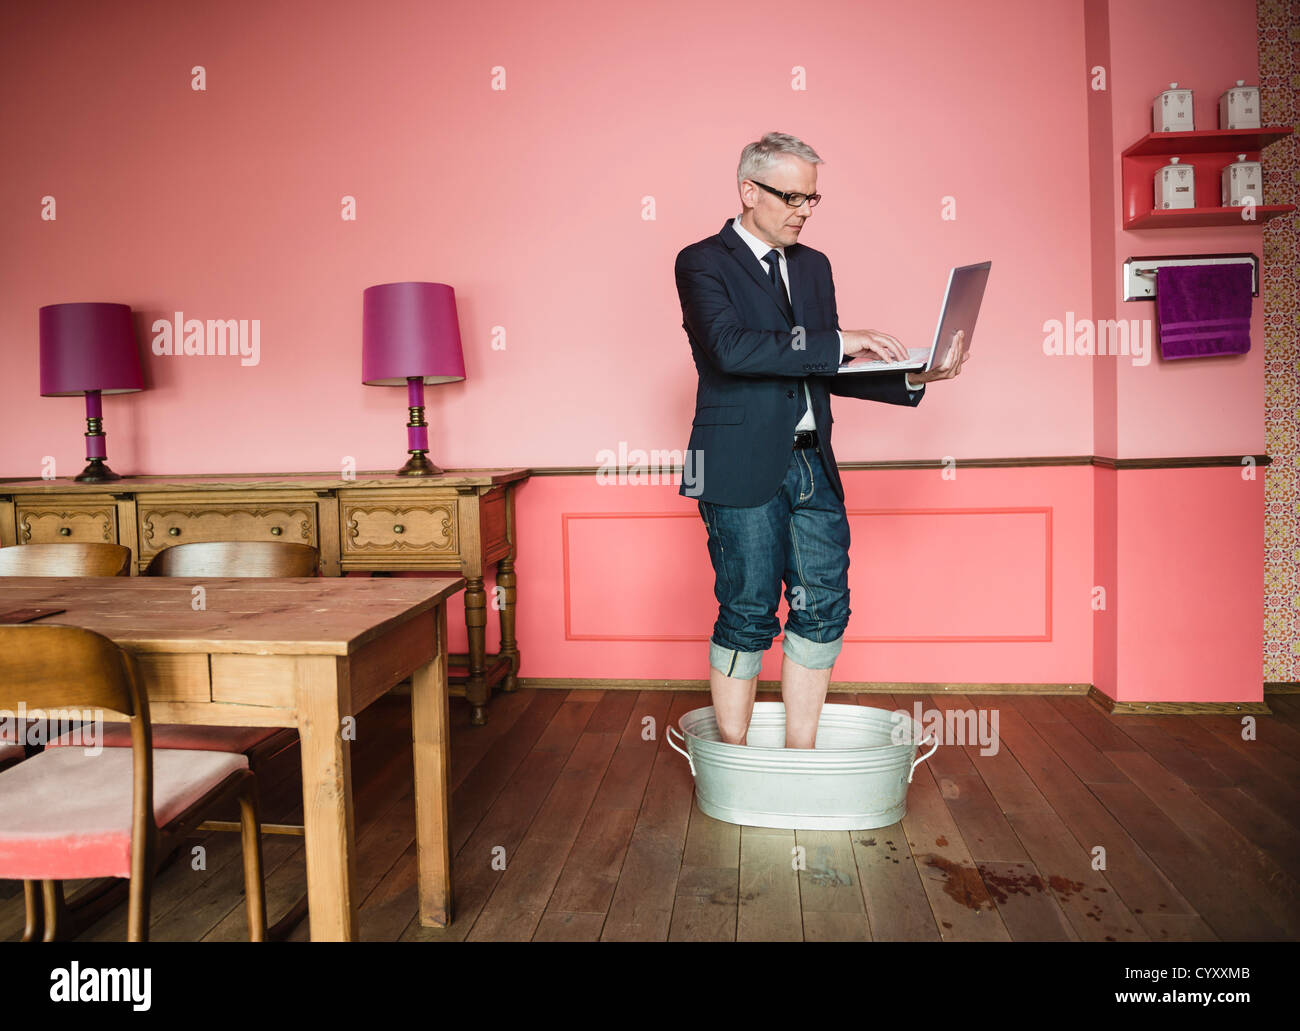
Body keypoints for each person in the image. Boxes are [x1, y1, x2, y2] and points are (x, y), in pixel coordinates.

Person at [675, 131, 968, 749]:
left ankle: (801, 756)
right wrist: (840, 341)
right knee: (749, 613)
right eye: (792, 197)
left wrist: (914, 374)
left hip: (813, 466)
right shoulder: (700, 261)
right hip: (734, 465)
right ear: (748, 191)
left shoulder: (815, 266)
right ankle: (735, 762)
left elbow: (820, 368)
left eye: (813, 199)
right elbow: (732, 351)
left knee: (824, 608)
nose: (804, 210)